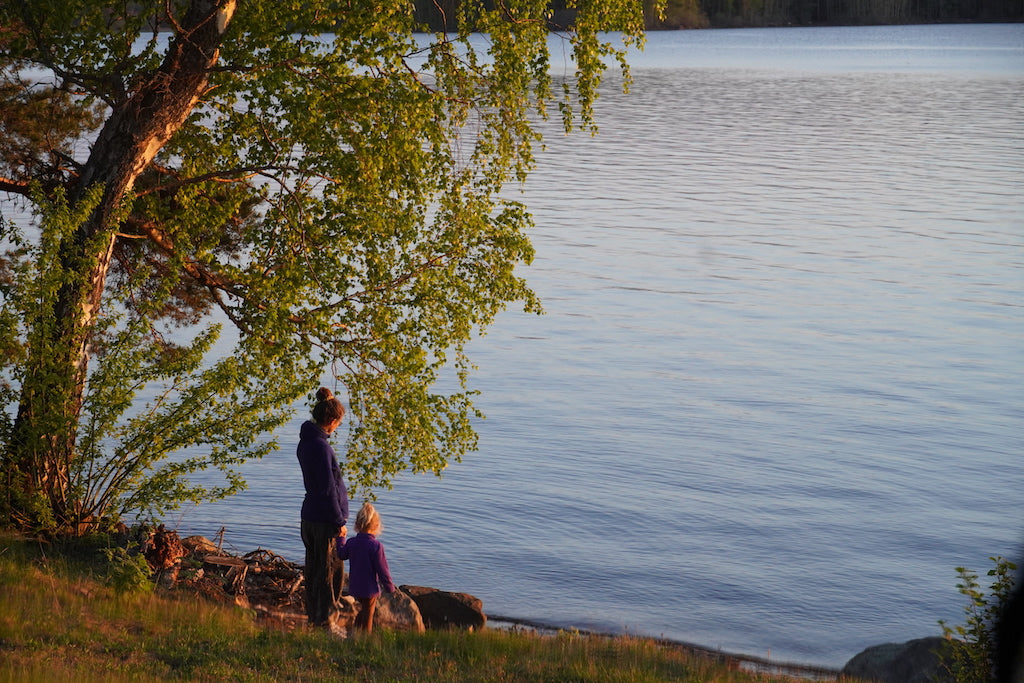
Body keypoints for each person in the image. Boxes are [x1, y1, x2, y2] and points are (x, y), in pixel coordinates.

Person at [296, 386, 349, 630]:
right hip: (324, 520)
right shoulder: (321, 447)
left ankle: (315, 620)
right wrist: (339, 521)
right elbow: (329, 489)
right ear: (331, 420)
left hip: (310, 516)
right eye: (338, 423)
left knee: (315, 572)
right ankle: (327, 624)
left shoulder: (307, 443)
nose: (337, 427)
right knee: (330, 574)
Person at [335, 502, 396, 633]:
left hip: (355, 586)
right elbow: (383, 570)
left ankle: (355, 634)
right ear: (376, 526)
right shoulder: (376, 546)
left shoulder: (352, 543)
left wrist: (341, 539)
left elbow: (341, 554)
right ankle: (364, 640)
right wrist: (390, 587)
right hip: (370, 589)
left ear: (357, 525)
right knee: (368, 614)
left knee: (361, 612)